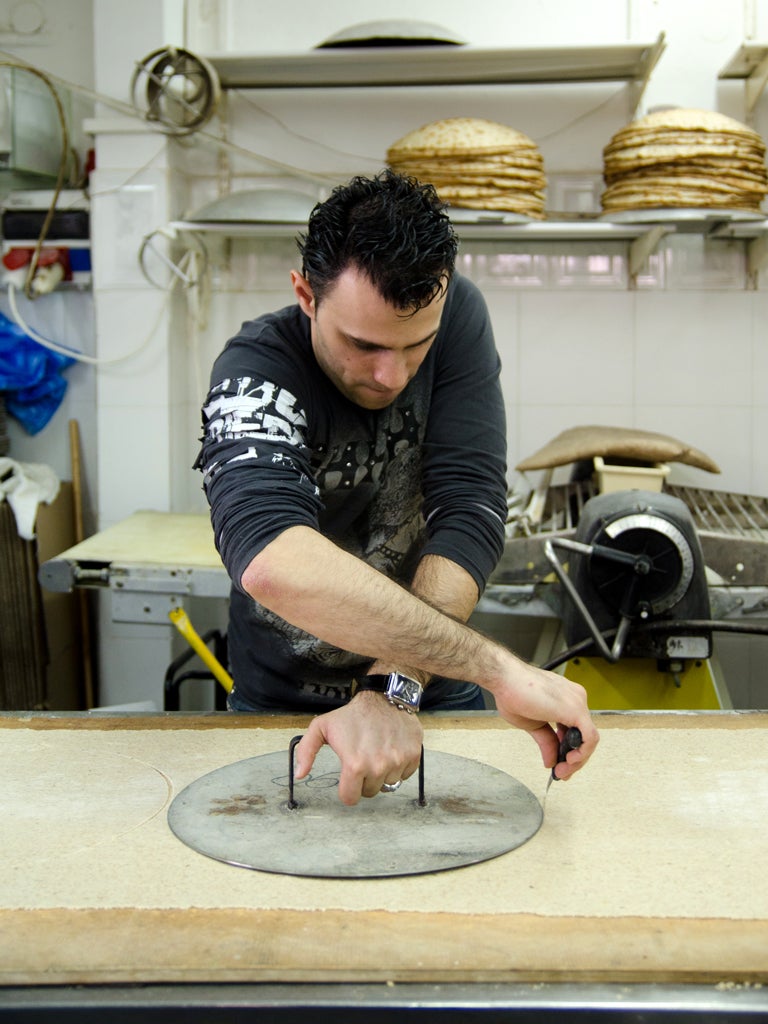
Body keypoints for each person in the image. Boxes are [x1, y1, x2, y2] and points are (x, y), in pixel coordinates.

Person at [195, 170, 598, 805]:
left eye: (418, 346)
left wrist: (392, 687)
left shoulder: (458, 311)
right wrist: (497, 667)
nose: (391, 375)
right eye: (362, 344)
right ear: (306, 295)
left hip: (431, 693)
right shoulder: (254, 374)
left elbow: (468, 504)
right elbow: (273, 561)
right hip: (280, 706)